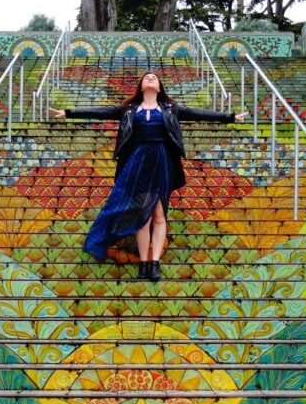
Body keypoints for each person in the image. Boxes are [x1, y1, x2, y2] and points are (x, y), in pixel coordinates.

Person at [50, 71, 247, 282]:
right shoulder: (129, 109)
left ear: (160, 87)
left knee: (159, 215)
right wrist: (68, 113)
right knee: (142, 217)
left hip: (162, 160)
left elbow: (198, 114)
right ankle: (143, 263)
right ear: (141, 86)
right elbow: (100, 111)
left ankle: (154, 263)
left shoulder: (170, 109)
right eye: (146, 77)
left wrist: (230, 117)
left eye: (154, 77)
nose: (151, 78)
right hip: (137, 161)